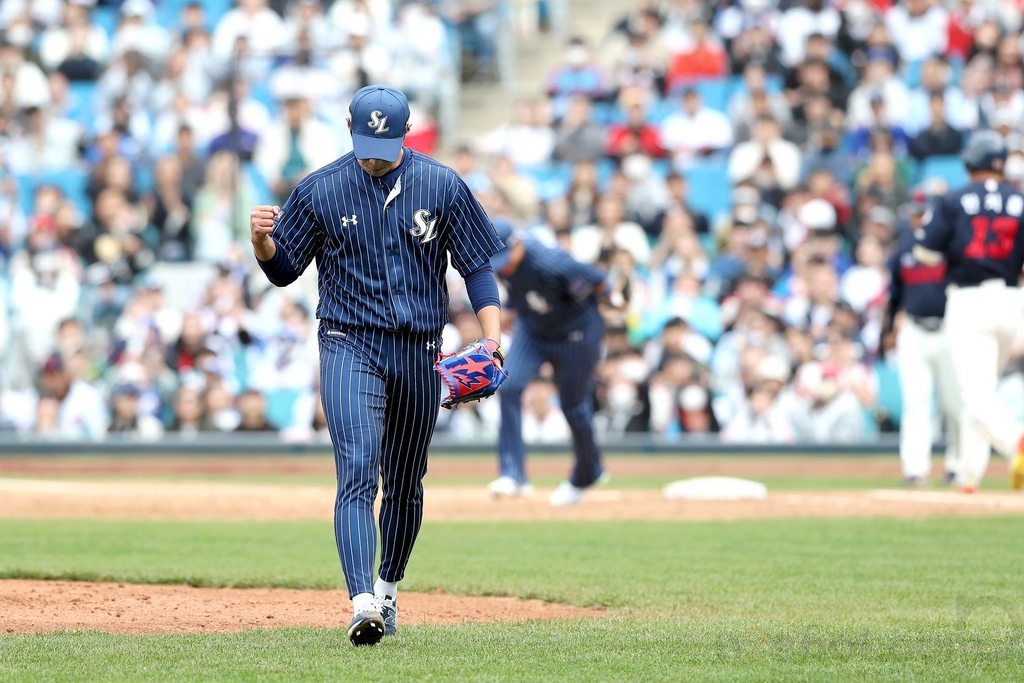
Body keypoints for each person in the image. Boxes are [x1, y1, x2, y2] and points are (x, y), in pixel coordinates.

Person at [249, 85, 504, 647]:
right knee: (359, 468)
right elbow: (284, 271)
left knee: (407, 481)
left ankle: (388, 589)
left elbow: (477, 267)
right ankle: (361, 601)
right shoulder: (319, 188)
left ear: (406, 134)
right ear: (348, 128)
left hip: (417, 347)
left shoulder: (440, 183)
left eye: (384, 145)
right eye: (366, 143)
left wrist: (492, 339)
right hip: (348, 341)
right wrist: (262, 243)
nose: (374, 156)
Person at [914, 131, 1024, 492]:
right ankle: (968, 473)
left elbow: (925, 253)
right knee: (983, 390)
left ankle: (1015, 443)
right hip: (1011, 300)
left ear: (969, 163)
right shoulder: (1019, 199)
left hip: (969, 299)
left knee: (975, 393)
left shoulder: (954, 200)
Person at [488, 221, 608, 506]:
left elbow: (598, 279)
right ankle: (513, 474)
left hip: (576, 335)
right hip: (535, 331)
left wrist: (612, 298)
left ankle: (588, 472)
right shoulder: (502, 263)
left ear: (518, 244)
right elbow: (525, 293)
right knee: (509, 386)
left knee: (574, 407)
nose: (502, 267)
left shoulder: (552, 262)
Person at [886, 196, 960, 486]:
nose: (919, 221)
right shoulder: (903, 250)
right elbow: (894, 295)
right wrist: (889, 329)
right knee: (916, 402)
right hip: (914, 331)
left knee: (954, 403)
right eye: (915, 215)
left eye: (923, 215)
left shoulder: (952, 249)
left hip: (949, 329)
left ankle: (957, 464)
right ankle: (915, 468)